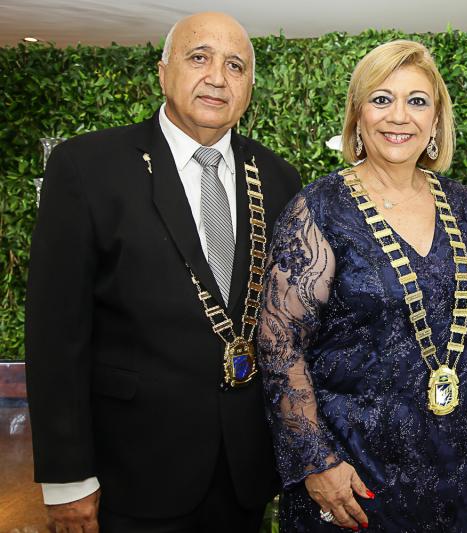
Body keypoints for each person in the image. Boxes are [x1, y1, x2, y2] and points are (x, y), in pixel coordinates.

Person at [25, 12, 301, 532]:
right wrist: (67, 478)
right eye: (199, 57)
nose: (217, 77)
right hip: (132, 471)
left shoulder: (279, 178)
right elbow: (56, 333)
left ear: (249, 88)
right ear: (163, 71)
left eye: (235, 66)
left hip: (245, 473)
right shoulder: (88, 167)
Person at [258, 40, 467, 531]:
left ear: (436, 120)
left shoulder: (464, 205)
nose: (399, 116)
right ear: (357, 115)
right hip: (352, 476)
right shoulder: (319, 208)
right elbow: (278, 342)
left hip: (457, 470)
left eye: (417, 101)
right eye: (381, 99)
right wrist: (316, 461)